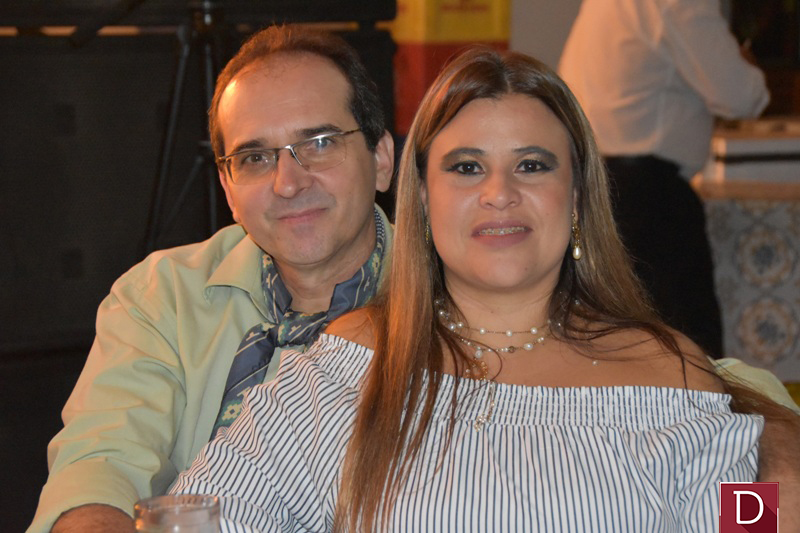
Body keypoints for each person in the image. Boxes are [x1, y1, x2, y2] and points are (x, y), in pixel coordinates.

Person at [171, 47, 799, 531]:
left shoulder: (671, 379)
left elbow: (756, 519)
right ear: (423, 199)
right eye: (467, 167)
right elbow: (198, 517)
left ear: (577, 197)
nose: (500, 193)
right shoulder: (343, 374)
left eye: (532, 165)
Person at [28, 25, 394, 533]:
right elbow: (100, 464)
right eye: (255, 158)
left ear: (381, 159)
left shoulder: (460, 303)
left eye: (319, 142)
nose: (288, 183)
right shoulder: (162, 296)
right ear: (227, 186)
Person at [558, 0, 770, 357]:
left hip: (590, 185)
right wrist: (744, 62)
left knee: (613, 344)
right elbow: (742, 95)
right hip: (648, 196)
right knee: (686, 350)